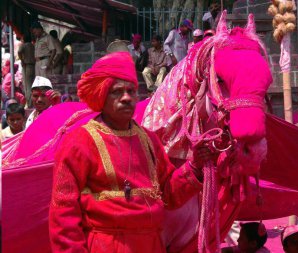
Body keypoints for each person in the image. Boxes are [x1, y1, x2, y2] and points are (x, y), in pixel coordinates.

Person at [49, 51, 218, 253]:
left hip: (152, 244)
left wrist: (195, 165)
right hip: (106, 245)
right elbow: (63, 212)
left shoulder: (148, 139)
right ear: (101, 96)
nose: (127, 98)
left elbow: (169, 195)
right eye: (117, 92)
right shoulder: (78, 142)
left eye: (131, 91)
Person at [18, 33, 35, 108]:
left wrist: (22, 60)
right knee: (32, 85)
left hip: (26, 66)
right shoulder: (33, 45)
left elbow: (19, 51)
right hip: (33, 66)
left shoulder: (24, 45)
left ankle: (30, 104)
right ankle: (32, 102)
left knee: (27, 86)